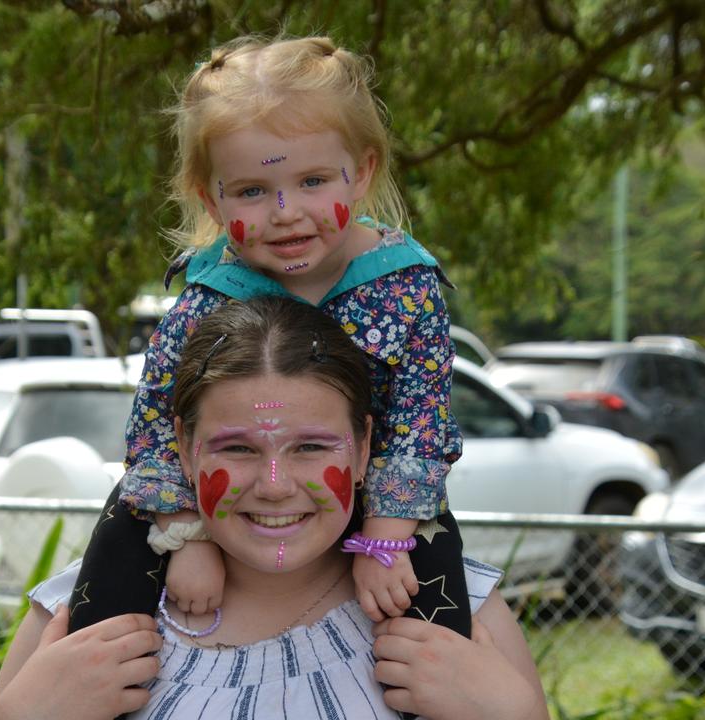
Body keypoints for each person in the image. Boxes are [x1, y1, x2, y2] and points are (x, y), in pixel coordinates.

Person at [69, 33, 471, 649]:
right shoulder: (206, 301)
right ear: (212, 196)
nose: (285, 211)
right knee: (110, 596)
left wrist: (384, 540)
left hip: (380, 495)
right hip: (218, 502)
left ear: (361, 173)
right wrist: (186, 537)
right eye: (252, 191)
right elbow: (155, 424)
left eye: (313, 181)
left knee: (433, 634)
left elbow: (420, 421)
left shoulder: (407, 288)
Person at [0, 297, 549, 720]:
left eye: (310, 446)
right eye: (238, 448)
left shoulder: (460, 616)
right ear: (182, 448)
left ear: (364, 447)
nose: (276, 485)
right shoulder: (79, 617)